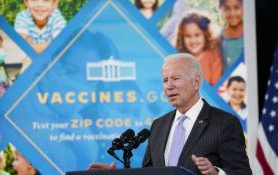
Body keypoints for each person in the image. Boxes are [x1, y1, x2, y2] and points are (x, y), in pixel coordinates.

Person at [87, 53, 252, 175]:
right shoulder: (159, 125)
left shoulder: (224, 123)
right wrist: (117, 174)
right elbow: (149, 173)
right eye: (165, 80)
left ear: (196, 82)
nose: (169, 86)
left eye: (176, 78)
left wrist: (217, 173)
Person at [176, 12, 222, 86]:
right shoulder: (179, 59)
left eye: (197, 35)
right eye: (188, 36)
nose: (193, 41)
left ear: (205, 35)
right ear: (182, 37)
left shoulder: (213, 57)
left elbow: (216, 85)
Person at [218, 0, 243, 73]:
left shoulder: (250, 34)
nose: (232, 13)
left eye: (236, 7)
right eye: (227, 8)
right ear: (221, 9)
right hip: (227, 82)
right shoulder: (219, 37)